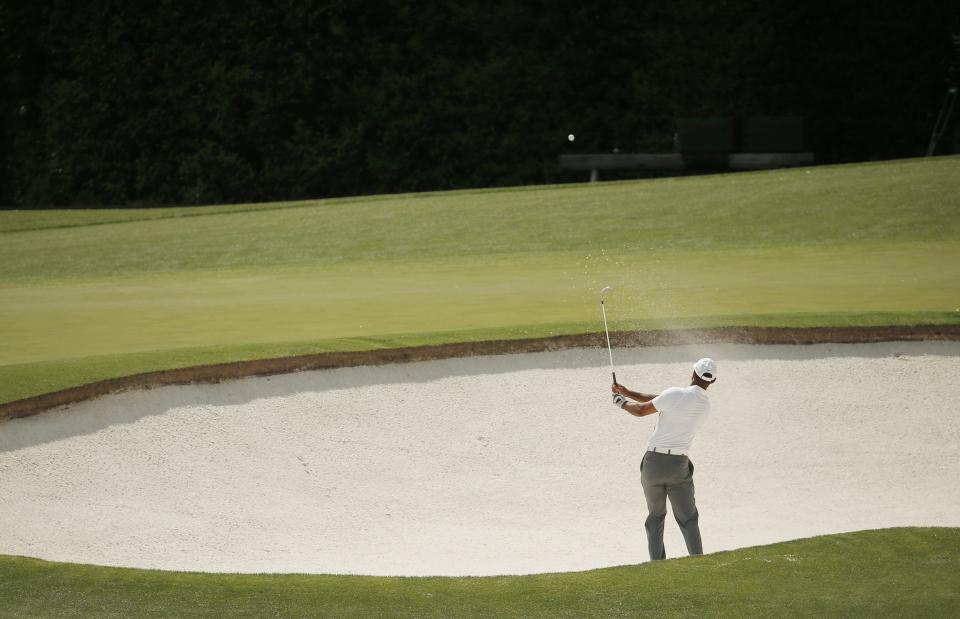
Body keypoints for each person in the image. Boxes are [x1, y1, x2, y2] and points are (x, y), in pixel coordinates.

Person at [611, 358, 717, 561]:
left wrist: (621, 402)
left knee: (655, 517)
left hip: (653, 464)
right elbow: (663, 400)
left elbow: (643, 410)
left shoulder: (676, 394)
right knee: (688, 519)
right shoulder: (705, 405)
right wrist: (627, 392)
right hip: (679, 467)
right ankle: (699, 563)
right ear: (713, 381)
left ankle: (658, 565)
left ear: (693, 373)